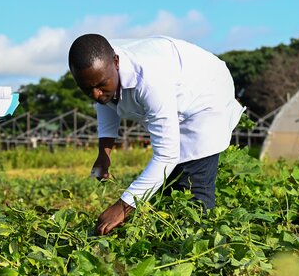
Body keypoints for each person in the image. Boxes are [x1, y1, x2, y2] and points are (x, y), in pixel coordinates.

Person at [67, 34, 245, 235]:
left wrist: (123, 207)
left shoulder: (150, 80)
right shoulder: (99, 68)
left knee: (194, 191)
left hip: (207, 94)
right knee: (168, 190)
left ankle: (205, 247)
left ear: (116, 62)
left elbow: (166, 156)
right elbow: (106, 105)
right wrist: (104, 153)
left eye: (100, 85)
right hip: (176, 87)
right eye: (86, 88)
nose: (95, 95)